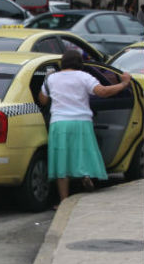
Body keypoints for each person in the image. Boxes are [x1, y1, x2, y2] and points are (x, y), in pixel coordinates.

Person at [38, 50, 131, 209]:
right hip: (81, 121)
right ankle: (85, 175)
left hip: (59, 123)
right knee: (83, 152)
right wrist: (123, 84)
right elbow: (102, 92)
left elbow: (43, 99)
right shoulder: (84, 77)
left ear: (63, 62)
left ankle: (64, 201)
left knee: (62, 160)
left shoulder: (52, 78)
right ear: (79, 63)